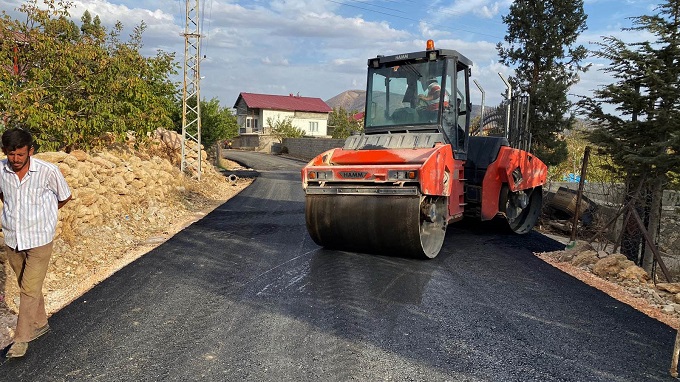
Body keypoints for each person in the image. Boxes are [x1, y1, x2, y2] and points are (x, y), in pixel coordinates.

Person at [0, 127, 71, 358]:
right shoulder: (0, 170)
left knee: (28, 289)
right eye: (11, 154)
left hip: (40, 238)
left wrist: (44, 217)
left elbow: (64, 196)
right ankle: (40, 323)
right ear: (4, 151)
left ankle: (21, 339)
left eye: (20, 154)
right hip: (13, 238)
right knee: (26, 284)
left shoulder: (48, 171)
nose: (16, 159)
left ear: (30, 151)